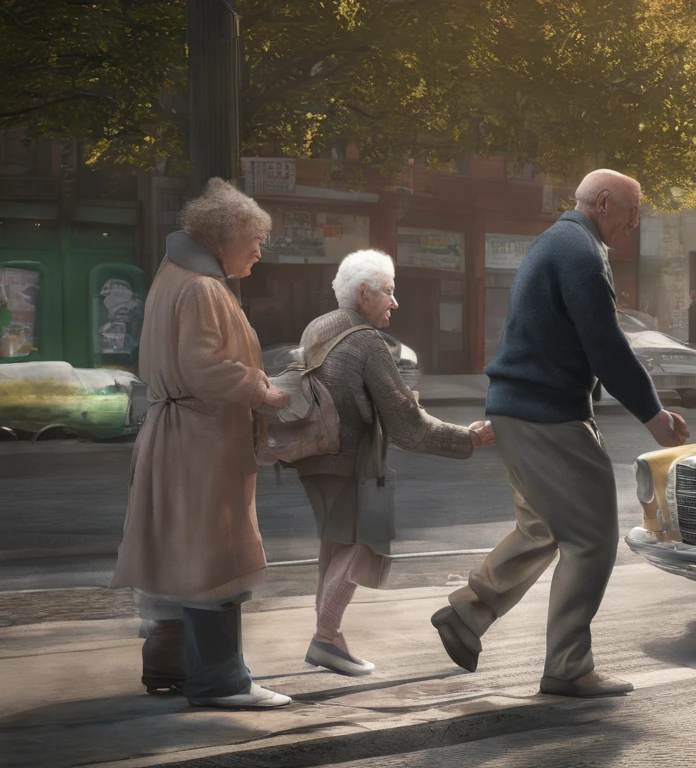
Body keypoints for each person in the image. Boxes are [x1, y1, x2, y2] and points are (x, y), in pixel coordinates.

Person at [430, 169, 690, 698]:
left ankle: (468, 614)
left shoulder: (561, 241)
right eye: (632, 211)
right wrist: (654, 416)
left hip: (519, 408)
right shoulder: (579, 250)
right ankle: (568, 667)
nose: (636, 223)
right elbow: (607, 346)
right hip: (546, 414)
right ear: (603, 202)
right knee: (592, 539)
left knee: (543, 528)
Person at [111, 178, 294, 708]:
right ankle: (221, 682)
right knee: (215, 557)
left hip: (176, 435)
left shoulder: (174, 277)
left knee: (181, 552)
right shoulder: (204, 288)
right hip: (201, 441)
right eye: (254, 239)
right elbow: (206, 367)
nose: (260, 250)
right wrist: (265, 390)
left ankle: (176, 666)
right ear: (226, 236)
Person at [293, 250, 495, 677]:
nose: (395, 302)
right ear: (363, 293)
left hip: (314, 457)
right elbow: (408, 425)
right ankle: (325, 638)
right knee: (362, 544)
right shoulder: (366, 341)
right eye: (389, 291)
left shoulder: (318, 327)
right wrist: (468, 438)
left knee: (335, 548)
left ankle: (327, 637)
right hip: (352, 462)